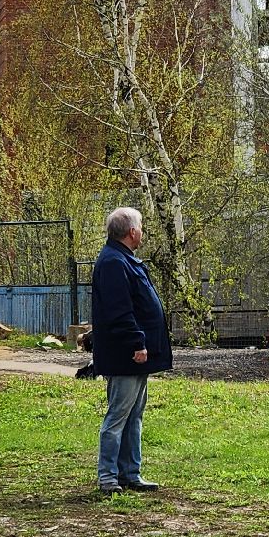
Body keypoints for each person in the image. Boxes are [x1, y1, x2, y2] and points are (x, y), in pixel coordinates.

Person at [90, 206, 172, 494]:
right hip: (126, 354)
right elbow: (119, 310)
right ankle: (109, 477)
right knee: (118, 416)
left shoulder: (122, 259)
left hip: (135, 353)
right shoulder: (114, 262)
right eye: (141, 227)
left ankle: (130, 473)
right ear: (131, 232)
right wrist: (137, 342)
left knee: (134, 415)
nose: (142, 231)